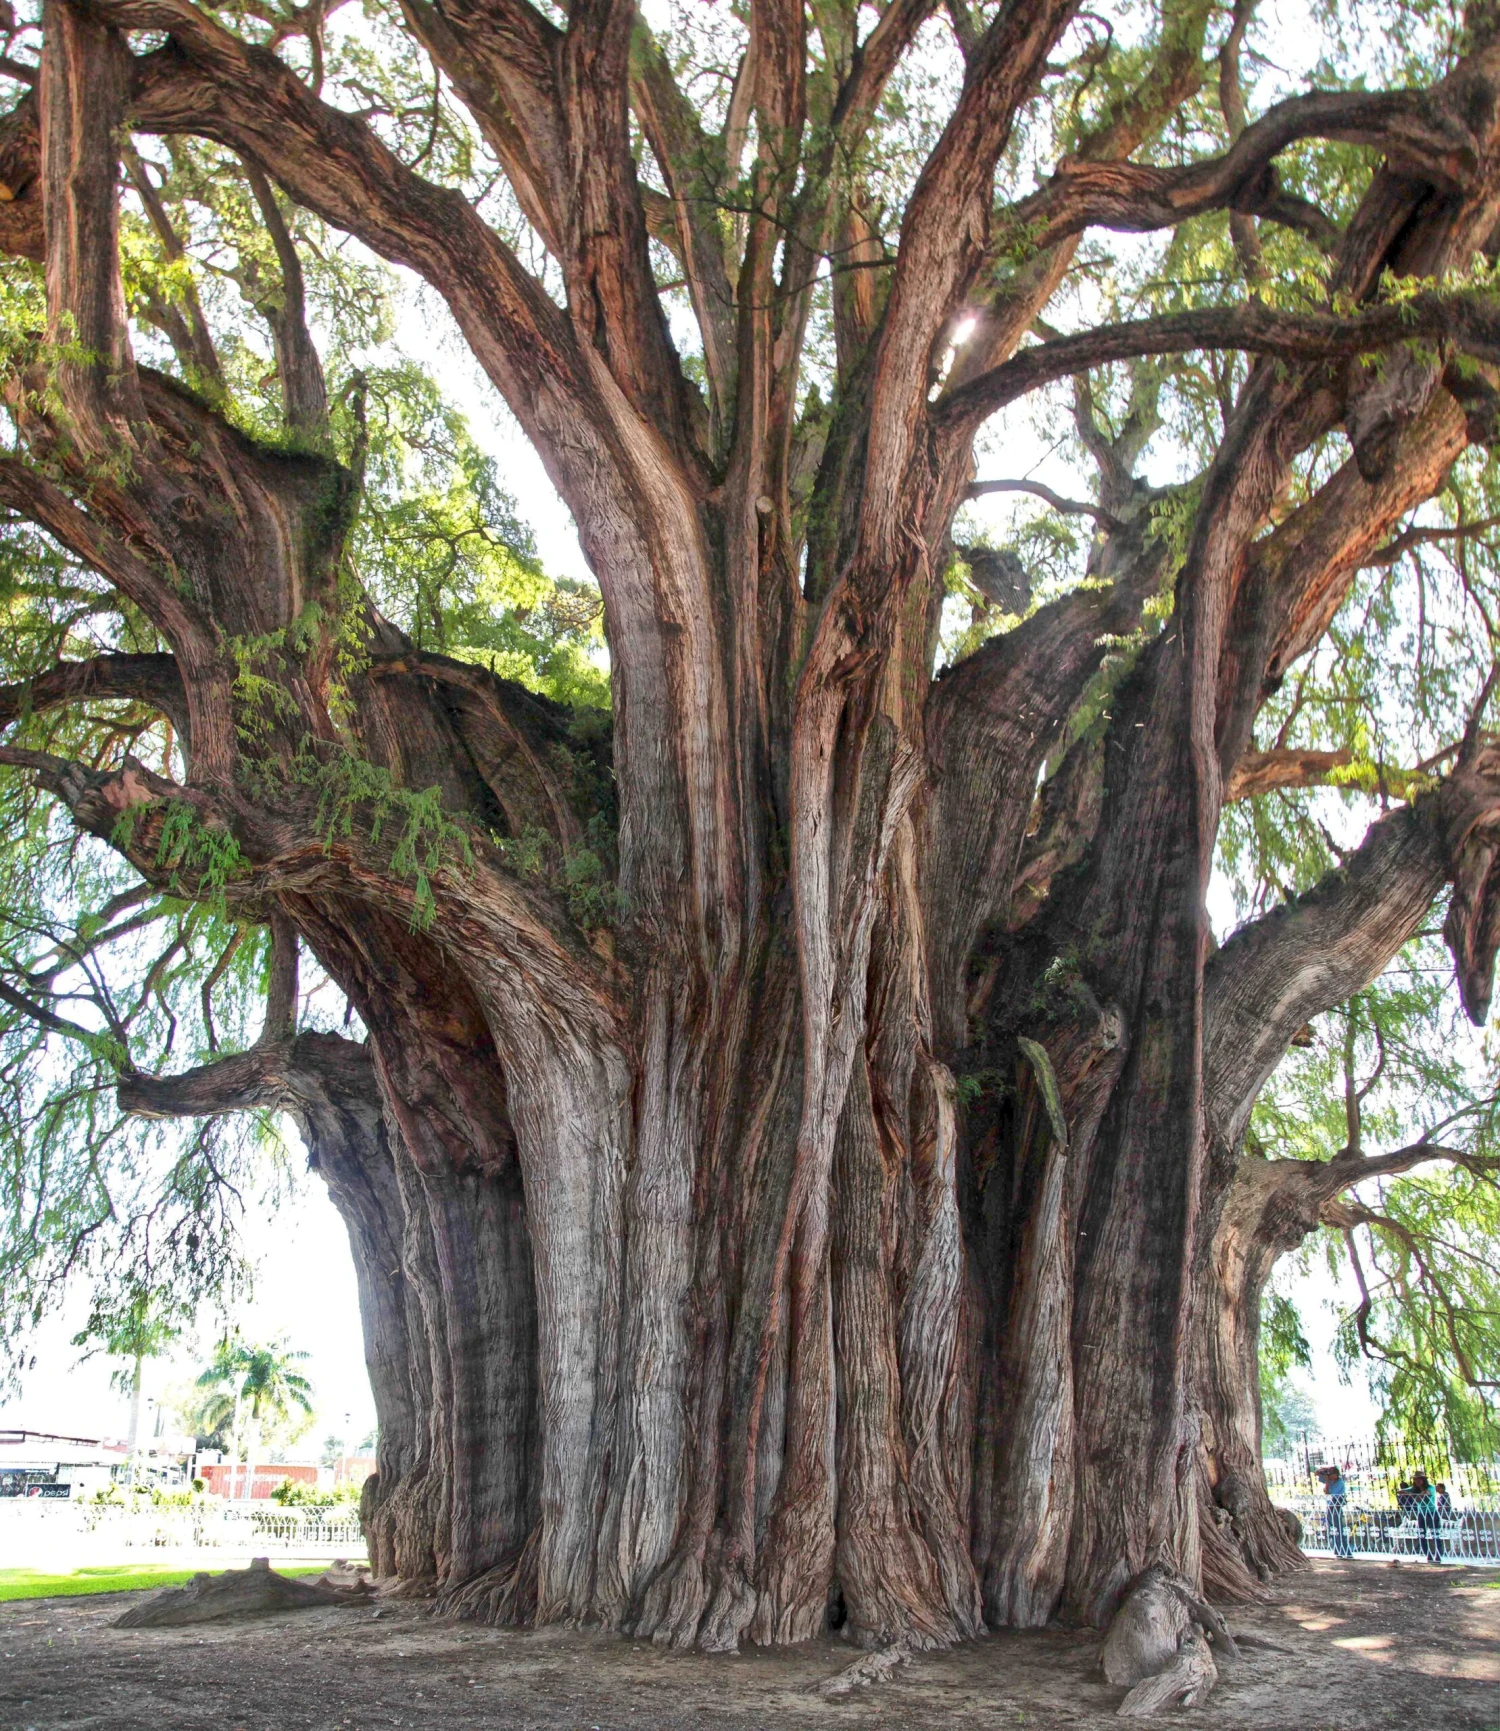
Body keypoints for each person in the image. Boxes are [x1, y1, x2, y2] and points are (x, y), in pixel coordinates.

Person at [1318, 1464, 1352, 1558]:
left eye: (1331, 1473)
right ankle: (1337, 1550)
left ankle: (1346, 1551)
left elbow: (1328, 1493)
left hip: (1336, 1506)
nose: (1328, 1475)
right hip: (1330, 1506)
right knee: (1332, 1529)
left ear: (1336, 1474)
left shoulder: (1339, 1482)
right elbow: (1316, 1473)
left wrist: (1327, 1482)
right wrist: (1323, 1470)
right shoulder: (1330, 1480)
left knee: (1338, 1529)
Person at [1411, 1471, 1443, 1563]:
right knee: (1422, 1535)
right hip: (1421, 1514)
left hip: (1432, 1513)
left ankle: (1438, 1555)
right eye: (1416, 1480)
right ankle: (1428, 1555)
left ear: (1423, 1480)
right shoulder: (1415, 1489)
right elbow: (1403, 1492)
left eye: (1419, 1479)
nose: (1417, 1481)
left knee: (1435, 1534)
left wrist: (1417, 1495)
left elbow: (1425, 1494)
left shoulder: (1431, 1487)